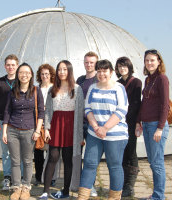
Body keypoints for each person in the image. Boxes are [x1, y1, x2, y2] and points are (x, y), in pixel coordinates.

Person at [78, 60, 128, 200]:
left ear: (111, 72)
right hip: (95, 133)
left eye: (104, 71)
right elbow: (87, 108)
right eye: (99, 71)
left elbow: (122, 109)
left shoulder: (119, 88)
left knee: (114, 166)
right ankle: (82, 196)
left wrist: (105, 128)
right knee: (89, 164)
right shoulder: (93, 88)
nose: (101, 74)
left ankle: (114, 197)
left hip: (115, 135)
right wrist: (96, 127)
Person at [39, 60, 84, 200]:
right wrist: (46, 128)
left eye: (65, 69)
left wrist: (79, 134)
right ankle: (46, 191)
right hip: (56, 125)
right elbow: (47, 112)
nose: (62, 72)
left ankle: (65, 191)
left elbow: (80, 112)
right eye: (59, 69)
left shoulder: (77, 89)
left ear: (69, 71)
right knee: (52, 157)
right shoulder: (52, 89)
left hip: (71, 126)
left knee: (68, 159)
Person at [2, 63, 44, 200]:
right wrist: (4, 131)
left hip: (29, 131)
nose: (24, 75)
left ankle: (26, 187)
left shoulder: (37, 91)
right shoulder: (12, 91)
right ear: (18, 75)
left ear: (31, 75)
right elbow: (7, 112)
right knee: (15, 160)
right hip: (12, 130)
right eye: (21, 72)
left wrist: (37, 131)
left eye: (27, 72)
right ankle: (16, 187)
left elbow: (41, 112)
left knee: (27, 161)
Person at [135, 49, 169, 200]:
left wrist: (160, 128)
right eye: (147, 60)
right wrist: (138, 122)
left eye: (152, 60)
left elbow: (165, 105)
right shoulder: (148, 79)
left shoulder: (162, 79)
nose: (149, 63)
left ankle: (158, 196)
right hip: (147, 125)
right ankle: (156, 194)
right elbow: (144, 103)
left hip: (156, 126)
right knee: (153, 162)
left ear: (159, 61)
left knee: (157, 163)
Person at [115, 57, 142, 197]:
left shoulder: (137, 82)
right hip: (119, 124)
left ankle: (130, 186)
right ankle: (123, 184)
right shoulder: (117, 83)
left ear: (129, 67)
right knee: (123, 153)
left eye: (124, 66)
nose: (122, 68)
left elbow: (137, 104)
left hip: (130, 123)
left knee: (131, 152)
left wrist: (135, 121)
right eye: (119, 66)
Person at [0, 54, 20, 190]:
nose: (10, 67)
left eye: (13, 65)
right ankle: (7, 178)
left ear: (17, 66)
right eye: (8, 65)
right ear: (5, 66)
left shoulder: (21, 81)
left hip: (18, 122)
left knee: (18, 151)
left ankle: (18, 178)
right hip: (3, 122)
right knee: (6, 152)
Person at [76, 51, 99, 197]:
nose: (89, 64)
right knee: (77, 155)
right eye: (86, 62)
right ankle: (79, 183)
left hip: (93, 124)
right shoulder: (80, 80)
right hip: (79, 123)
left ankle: (90, 185)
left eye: (91, 62)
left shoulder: (99, 79)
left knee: (91, 158)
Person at [34, 64, 58, 186]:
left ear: (51, 75)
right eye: (42, 74)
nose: (45, 76)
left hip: (52, 122)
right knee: (38, 151)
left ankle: (51, 177)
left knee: (52, 152)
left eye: (47, 74)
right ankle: (38, 176)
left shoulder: (55, 88)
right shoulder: (35, 89)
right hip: (38, 123)